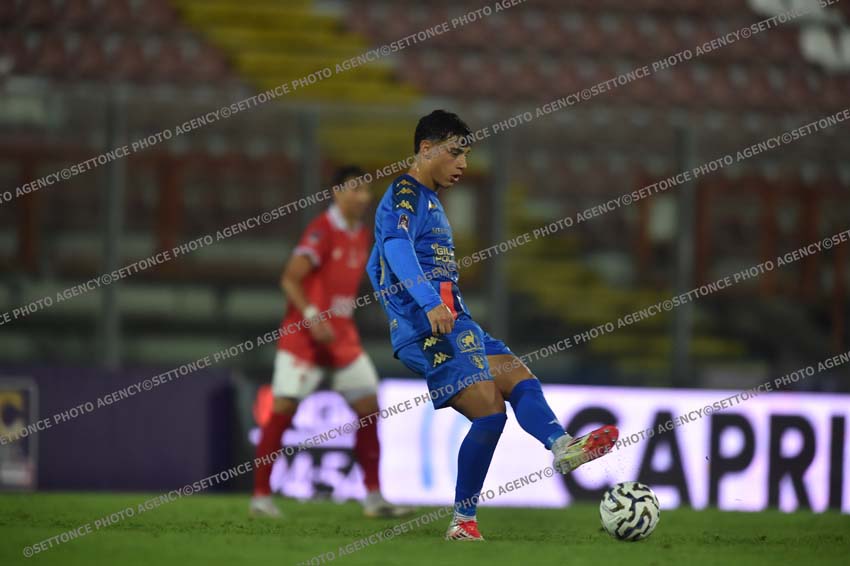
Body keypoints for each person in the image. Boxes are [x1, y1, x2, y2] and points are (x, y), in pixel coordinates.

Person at [367, 111, 619, 541]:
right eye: (455, 152)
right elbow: (394, 248)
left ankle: (562, 446)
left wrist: (396, 290)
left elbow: (378, 260)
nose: (463, 163)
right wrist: (426, 303)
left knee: (518, 375)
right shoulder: (405, 193)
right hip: (428, 329)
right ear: (426, 149)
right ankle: (462, 521)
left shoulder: (427, 200)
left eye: (466, 154)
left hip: (457, 322)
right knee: (489, 410)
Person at [251, 165, 413, 519]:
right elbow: (289, 279)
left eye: (366, 190)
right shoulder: (321, 231)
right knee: (282, 410)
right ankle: (261, 498)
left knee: (369, 406)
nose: (363, 197)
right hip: (304, 338)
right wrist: (313, 317)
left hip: (341, 338)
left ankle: (374, 498)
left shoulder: (362, 234)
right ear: (336, 192)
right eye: (355, 189)